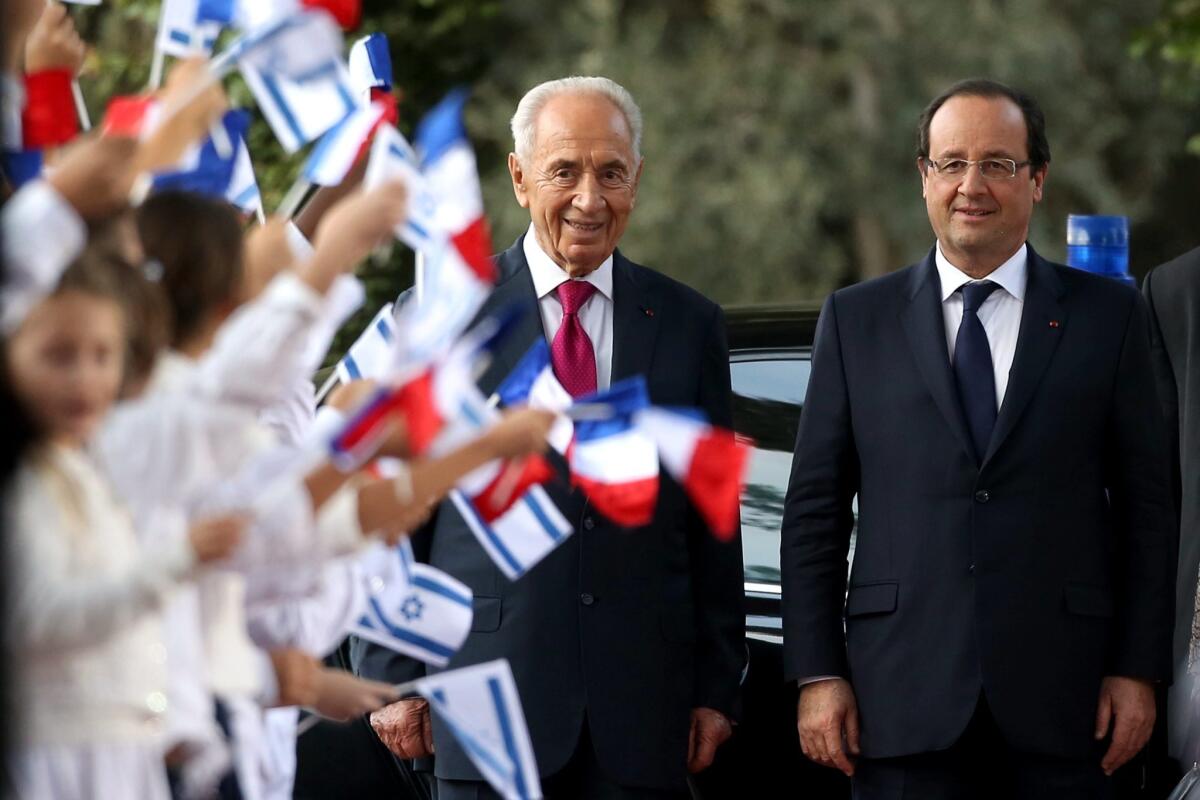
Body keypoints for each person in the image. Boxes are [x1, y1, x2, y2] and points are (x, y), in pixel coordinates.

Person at [780, 77, 1176, 799]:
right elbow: (814, 510)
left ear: (1038, 181)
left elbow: (1151, 507)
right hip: (894, 705)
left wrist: (1138, 668)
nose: (973, 185)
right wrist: (818, 672)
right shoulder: (855, 321)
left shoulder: (1108, 319)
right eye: (952, 163)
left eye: (998, 163)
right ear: (924, 177)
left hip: (1071, 706)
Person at [353, 76, 746, 799]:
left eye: (611, 173)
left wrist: (716, 686)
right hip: (479, 707)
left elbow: (710, 519)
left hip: (643, 717)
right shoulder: (445, 315)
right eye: (565, 171)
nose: (589, 198)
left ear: (637, 181)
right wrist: (389, 674)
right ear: (520, 176)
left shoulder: (689, 325)